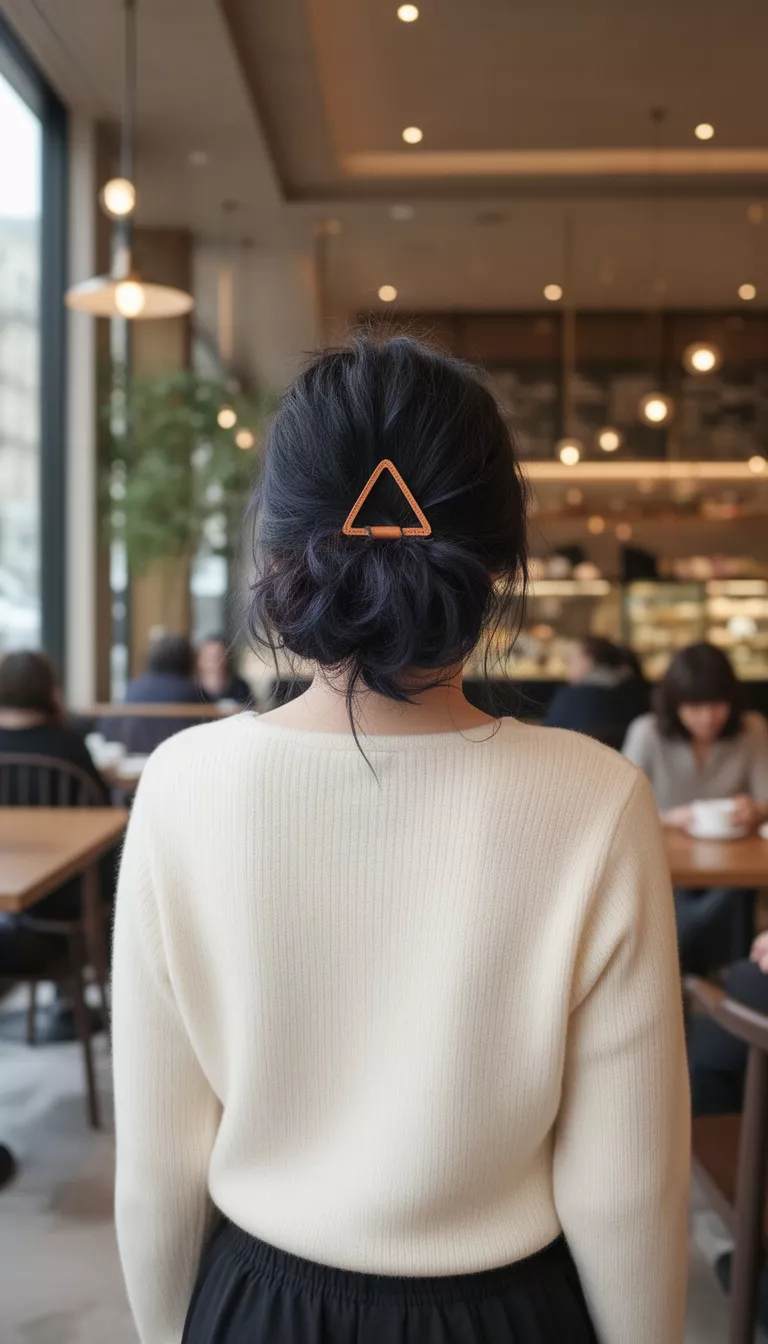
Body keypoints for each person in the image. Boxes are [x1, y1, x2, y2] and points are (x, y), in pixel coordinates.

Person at [113, 337, 688, 1344]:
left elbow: (160, 1173)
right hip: (508, 1314)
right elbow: (626, 1194)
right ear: (495, 558)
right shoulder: (598, 800)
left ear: (279, 552)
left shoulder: (181, 787)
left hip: (257, 1308)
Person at [623, 642, 768, 973]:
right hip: (664, 865)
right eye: (694, 706)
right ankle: (675, 974)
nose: (707, 717)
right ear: (675, 705)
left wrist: (754, 810)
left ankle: (725, 975)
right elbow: (621, 809)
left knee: (735, 901)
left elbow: (765, 800)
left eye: (718, 704)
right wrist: (667, 819)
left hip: (734, 867)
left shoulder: (752, 729)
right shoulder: (646, 733)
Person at [104, 634, 204, 755]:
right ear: (187, 660)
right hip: (180, 760)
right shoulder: (192, 692)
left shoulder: (133, 688)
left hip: (135, 760)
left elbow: (108, 727)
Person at [543, 635, 649, 746]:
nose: (568, 665)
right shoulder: (636, 692)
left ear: (589, 660)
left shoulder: (571, 699)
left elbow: (546, 742)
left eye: (571, 659)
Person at [197, 635, 251, 706]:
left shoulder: (240, 688)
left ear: (227, 659)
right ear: (200, 661)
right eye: (209, 657)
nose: (213, 663)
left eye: (218, 657)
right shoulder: (193, 691)